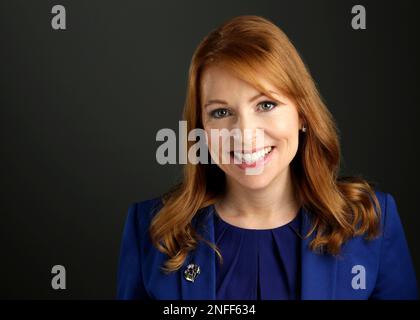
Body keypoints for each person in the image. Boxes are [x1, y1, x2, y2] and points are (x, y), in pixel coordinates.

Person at [116, 15, 418, 300]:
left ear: (302, 114)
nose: (245, 134)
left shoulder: (370, 223)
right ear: (202, 130)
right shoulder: (150, 230)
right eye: (221, 112)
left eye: (266, 105)